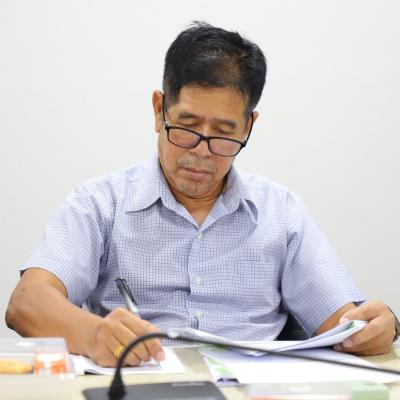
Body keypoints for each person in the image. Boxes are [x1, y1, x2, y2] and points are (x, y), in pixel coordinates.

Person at [5, 22, 397, 367]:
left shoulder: (282, 212)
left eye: (224, 134)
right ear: (159, 110)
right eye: (187, 126)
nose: (201, 151)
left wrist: (379, 327)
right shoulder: (99, 204)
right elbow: (26, 304)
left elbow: (344, 324)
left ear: (248, 127)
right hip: (142, 385)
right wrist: (93, 334)